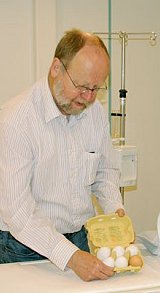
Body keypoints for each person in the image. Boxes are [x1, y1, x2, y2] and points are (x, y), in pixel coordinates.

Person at [0, 28, 125, 281]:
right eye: (81, 86)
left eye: (96, 88)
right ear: (56, 68)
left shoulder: (95, 113)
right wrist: (70, 256)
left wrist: (115, 210)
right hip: (25, 247)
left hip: (80, 237)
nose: (88, 97)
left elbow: (105, 171)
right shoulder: (16, 121)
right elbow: (18, 213)